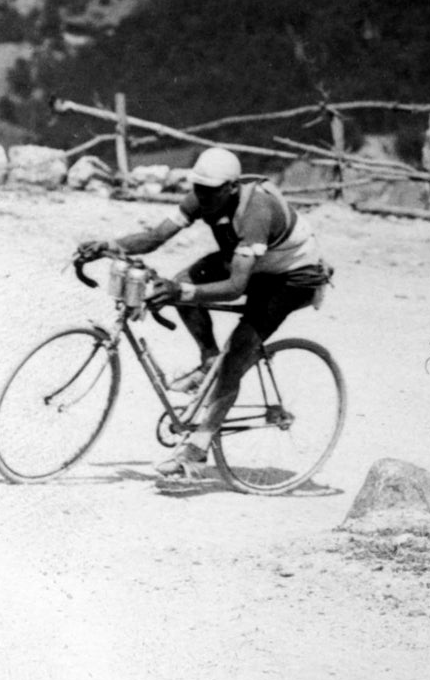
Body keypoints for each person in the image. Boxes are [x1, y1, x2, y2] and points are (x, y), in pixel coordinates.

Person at [73, 147, 334, 479]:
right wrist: (107, 245)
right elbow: (155, 237)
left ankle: (198, 449)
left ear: (232, 187)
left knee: (236, 350)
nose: (203, 197)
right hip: (254, 263)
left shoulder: (255, 211)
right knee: (183, 285)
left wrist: (181, 292)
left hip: (293, 277)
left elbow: (237, 286)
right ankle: (209, 358)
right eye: (199, 188)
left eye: (211, 191)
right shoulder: (201, 196)